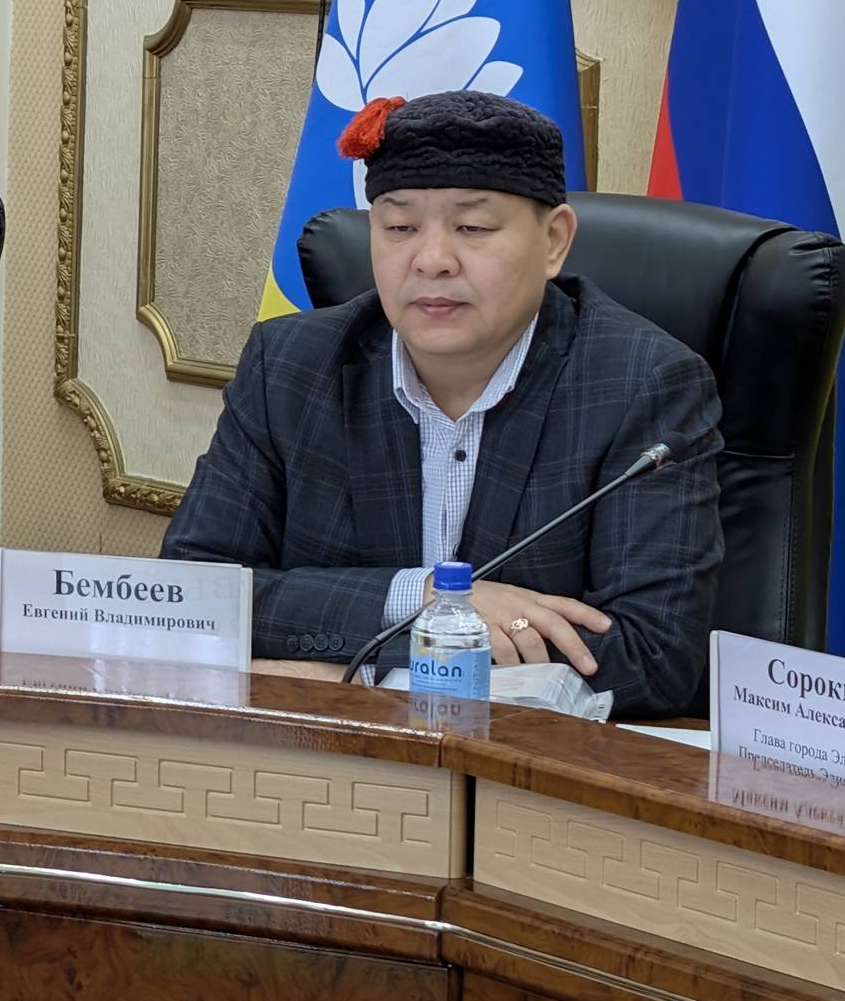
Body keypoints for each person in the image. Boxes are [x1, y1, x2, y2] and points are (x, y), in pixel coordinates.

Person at [160, 90, 723, 718]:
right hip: (321, 757)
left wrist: (347, 675)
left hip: (525, 767)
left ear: (554, 241)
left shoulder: (642, 383)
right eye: (399, 228)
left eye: (472, 229)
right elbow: (192, 595)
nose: (431, 261)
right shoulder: (291, 365)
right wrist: (426, 598)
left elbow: (654, 656)